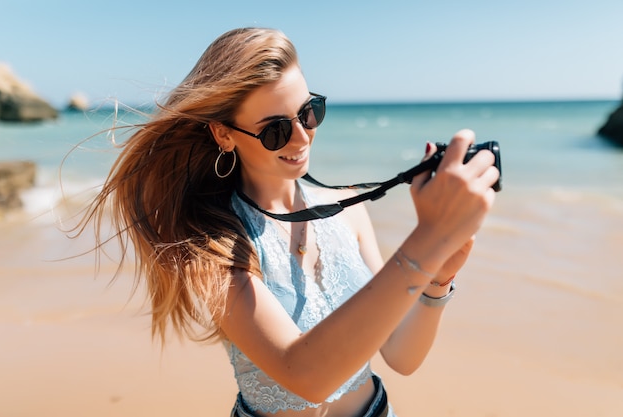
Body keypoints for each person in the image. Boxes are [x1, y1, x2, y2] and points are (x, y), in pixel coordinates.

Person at [76, 27, 499, 417]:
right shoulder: (213, 241)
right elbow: (305, 375)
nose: (301, 137)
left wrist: (437, 280)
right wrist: (428, 239)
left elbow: (402, 358)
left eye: (309, 112)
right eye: (275, 130)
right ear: (223, 134)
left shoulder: (350, 208)